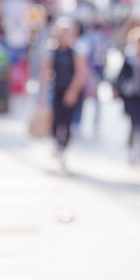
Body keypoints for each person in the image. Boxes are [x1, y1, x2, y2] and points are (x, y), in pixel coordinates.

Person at [40, 17, 87, 170]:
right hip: (57, 90)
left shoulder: (76, 50)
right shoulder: (52, 49)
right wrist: (42, 92)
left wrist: (72, 92)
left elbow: (81, 73)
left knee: (67, 123)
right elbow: (45, 71)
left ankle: (63, 149)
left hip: (71, 91)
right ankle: (56, 145)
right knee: (55, 122)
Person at [116, 26, 140, 164]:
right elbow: (120, 77)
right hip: (131, 95)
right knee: (133, 123)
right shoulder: (129, 58)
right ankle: (132, 148)